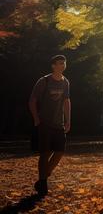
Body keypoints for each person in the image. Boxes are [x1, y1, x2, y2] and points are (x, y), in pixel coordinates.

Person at [28, 55, 71, 196]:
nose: (63, 65)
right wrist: (36, 118)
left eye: (64, 63)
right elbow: (32, 101)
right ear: (53, 66)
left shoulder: (65, 82)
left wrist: (68, 120)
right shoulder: (44, 81)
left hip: (59, 123)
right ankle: (43, 183)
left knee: (59, 152)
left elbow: (66, 101)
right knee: (45, 153)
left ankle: (43, 177)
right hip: (45, 122)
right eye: (60, 63)